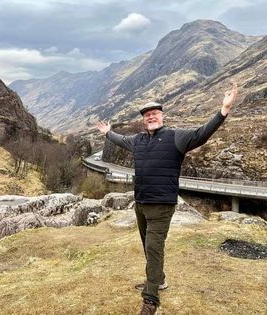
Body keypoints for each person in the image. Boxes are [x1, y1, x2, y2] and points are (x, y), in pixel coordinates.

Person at [97, 82, 238, 315]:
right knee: (147, 245)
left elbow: (201, 134)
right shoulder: (138, 141)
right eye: (147, 115)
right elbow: (120, 140)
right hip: (141, 204)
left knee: (153, 248)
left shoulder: (176, 137)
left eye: (154, 113)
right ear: (144, 120)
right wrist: (107, 133)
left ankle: (150, 299)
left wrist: (223, 111)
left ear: (162, 116)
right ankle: (159, 280)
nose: (151, 117)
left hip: (162, 205)